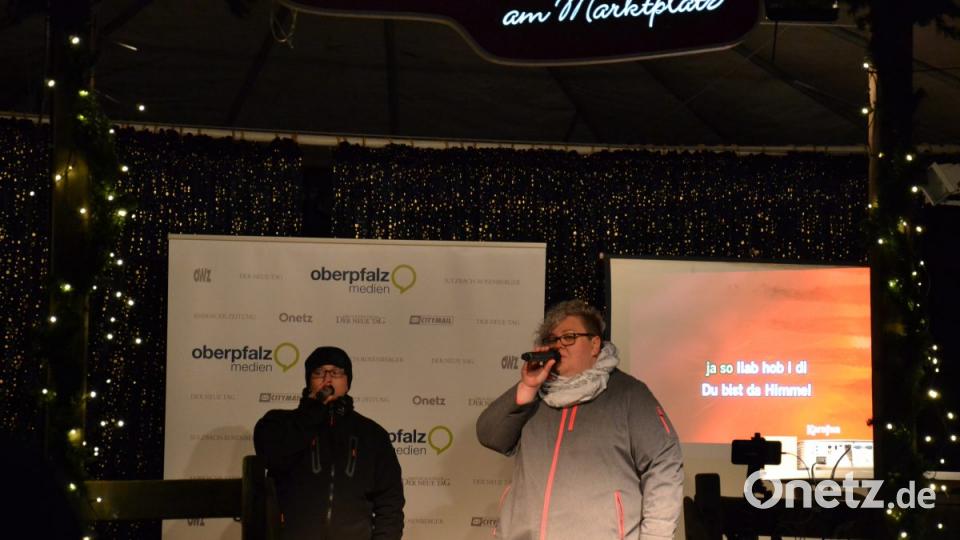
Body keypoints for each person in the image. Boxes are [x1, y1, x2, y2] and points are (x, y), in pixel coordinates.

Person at [476, 299, 683, 540]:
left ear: (594, 344)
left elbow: (664, 465)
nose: (559, 345)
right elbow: (489, 436)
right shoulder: (537, 394)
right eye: (552, 339)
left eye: (569, 337)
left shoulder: (629, 394)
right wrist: (525, 388)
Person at [254, 346, 404, 540]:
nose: (327, 378)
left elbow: (390, 502)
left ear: (348, 382)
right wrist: (313, 411)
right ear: (308, 382)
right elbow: (272, 457)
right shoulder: (279, 423)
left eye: (336, 372)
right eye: (319, 373)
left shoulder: (372, 435)